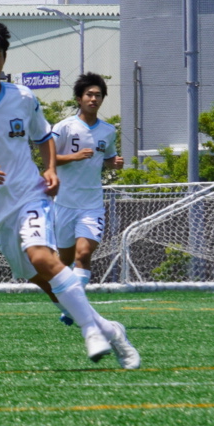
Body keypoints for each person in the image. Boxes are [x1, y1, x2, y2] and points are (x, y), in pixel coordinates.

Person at [0, 15, 140, 369]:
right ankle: (110, 329)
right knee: (46, 282)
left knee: (43, 257)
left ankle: (90, 329)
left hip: (30, 194)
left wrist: (50, 169)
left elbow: (43, 138)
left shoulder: (23, 97)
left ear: (4, 56)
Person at [50, 73, 124, 323]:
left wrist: (114, 163)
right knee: (64, 260)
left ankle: (74, 309)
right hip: (64, 204)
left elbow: (107, 158)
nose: (94, 99)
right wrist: (74, 156)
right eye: (89, 95)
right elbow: (48, 158)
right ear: (79, 99)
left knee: (83, 254)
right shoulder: (63, 127)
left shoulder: (108, 131)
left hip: (92, 205)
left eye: (98, 95)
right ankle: (69, 303)